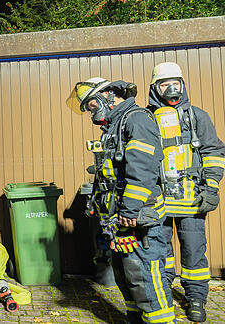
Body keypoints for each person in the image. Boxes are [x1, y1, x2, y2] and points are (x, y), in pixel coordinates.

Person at [67, 77, 175, 324]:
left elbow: (143, 168)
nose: (91, 111)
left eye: (92, 104)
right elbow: (111, 173)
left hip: (138, 219)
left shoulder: (136, 119)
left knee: (145, 279)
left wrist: (130, 209)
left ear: (109, 95)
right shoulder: (114, 126)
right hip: (120, 221)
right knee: (127, 279)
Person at [147, 62, 225, 322]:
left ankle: (196, 298)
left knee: (193, 250)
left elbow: (213, 152)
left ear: (183, 85)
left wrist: (211, 188)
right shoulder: (146, 119)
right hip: (158, 200)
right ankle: (164, 293)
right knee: (161, 253)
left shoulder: (197, 116)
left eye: (176, 83)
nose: (171, 88)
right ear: (155, 88)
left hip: (191, 199)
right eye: (165, 84)